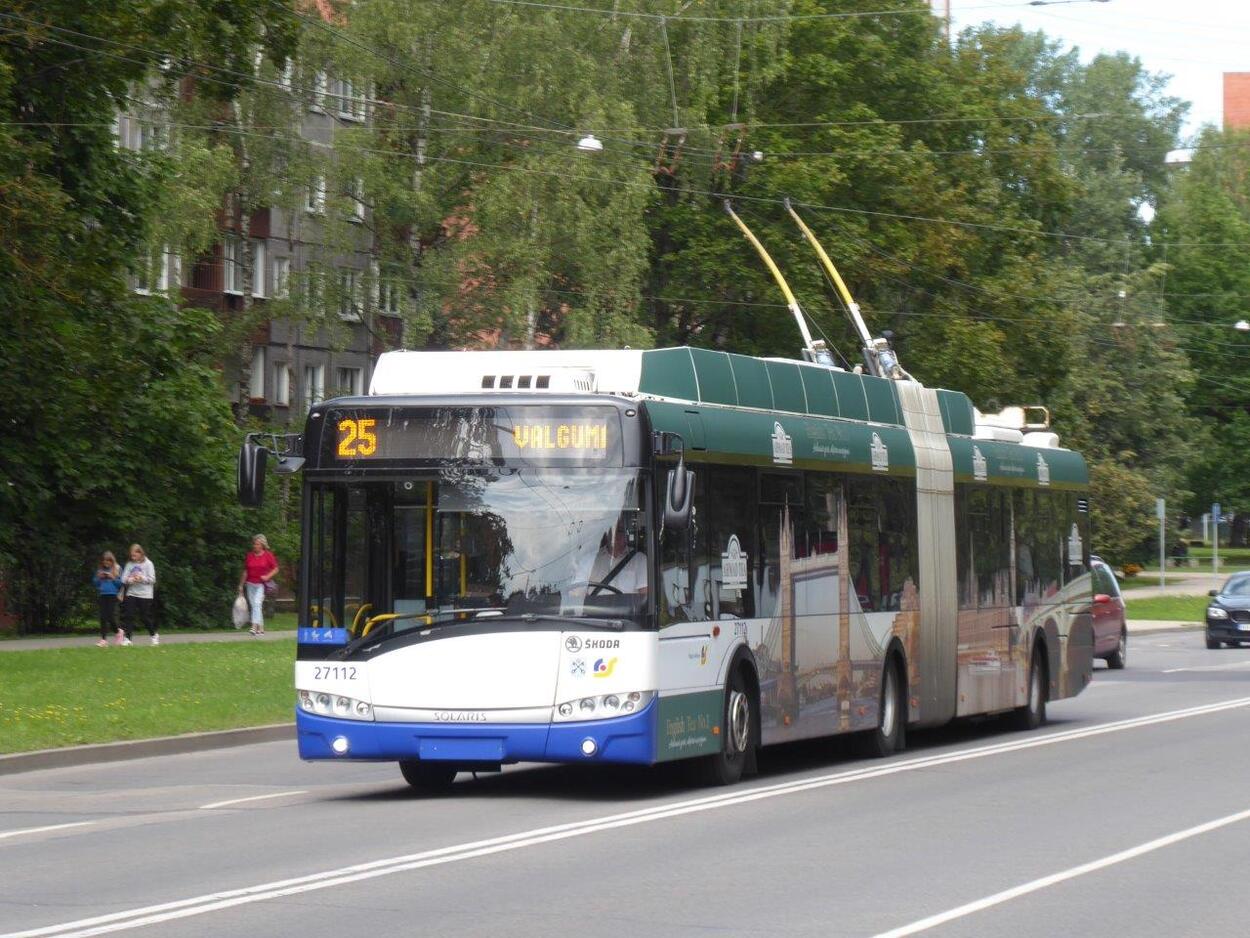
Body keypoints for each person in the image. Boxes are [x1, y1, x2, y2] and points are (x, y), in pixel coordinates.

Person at [238, 534, 278, 636]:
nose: (255, 546)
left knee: (256, 603)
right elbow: (246, 571)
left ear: (262, 545)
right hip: (250, 584)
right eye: (254, 544)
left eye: (257, 544)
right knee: (255, 605)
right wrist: (241, 585)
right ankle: (261, 628)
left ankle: (254, 626)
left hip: (262, 584)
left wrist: (267, 576)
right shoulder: (250, 556)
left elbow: (276, 569)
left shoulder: (268, 555)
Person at [119, 544, 158, 646]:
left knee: (144, 617)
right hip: (131, 593)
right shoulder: (129, 564)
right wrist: (129, 579)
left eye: (135, 556)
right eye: (132, 556)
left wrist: (141, 578)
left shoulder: (149, 564)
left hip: (145, 594)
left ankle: (154, 635)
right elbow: (123, 579)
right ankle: (128, 639)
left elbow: (152, 579)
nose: (133, 558)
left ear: (140, 553)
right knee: (129, 615)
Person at [93, 551, 123, 647]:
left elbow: (120, 584)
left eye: (108, 561)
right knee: (102, 617)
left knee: (110, 616)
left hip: (113, 595)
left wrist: (112, 577)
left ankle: (118, 631)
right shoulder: (100, 570)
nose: (106, 563)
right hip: (103, 594)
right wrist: (99, 577)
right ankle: (103, 639)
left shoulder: (117, 568)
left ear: (112, 561)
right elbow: (95, 583)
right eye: (104, 561)